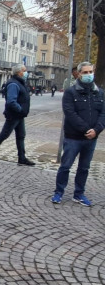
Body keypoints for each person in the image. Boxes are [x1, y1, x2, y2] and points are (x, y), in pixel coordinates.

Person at [51, 62, 105, 206]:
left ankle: (79, 193)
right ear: (79, 74)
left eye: (90, 72)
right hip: (73, 137)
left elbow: (103, 114)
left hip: (91, 138)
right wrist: (86, 129)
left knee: (84, 168)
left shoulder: (99, 92)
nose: (88, 75)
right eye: (85, 72)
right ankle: (58, 192)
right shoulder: (70, 92)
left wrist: (97, 130)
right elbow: (69, 113)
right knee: (65, 166)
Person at [0, 64, 35, 166]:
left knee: (21, 136)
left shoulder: (19, 83)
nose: (26, 73)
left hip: (19, 115)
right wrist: (20, 110)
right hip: (14, 115)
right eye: (24, 71)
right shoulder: (13, 84)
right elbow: (11, 101)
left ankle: (22, 158)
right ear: (19, 72)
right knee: (4, 134)